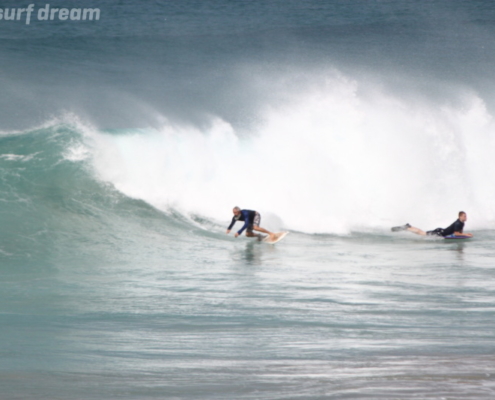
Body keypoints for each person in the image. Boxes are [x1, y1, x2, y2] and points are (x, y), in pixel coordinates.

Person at [392, 211, 473, 237]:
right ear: (460, 217)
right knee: (422, 233)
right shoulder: (458, 223)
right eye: (464, 216)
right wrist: (466, 235)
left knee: (422, 232)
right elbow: (456, 233)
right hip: (440, 233)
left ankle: (409, 226)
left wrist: (464, 234)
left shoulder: (462, 223)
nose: (466, 217)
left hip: (441, 231)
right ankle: (406, 228)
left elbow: (459, 232)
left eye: (466, 216)